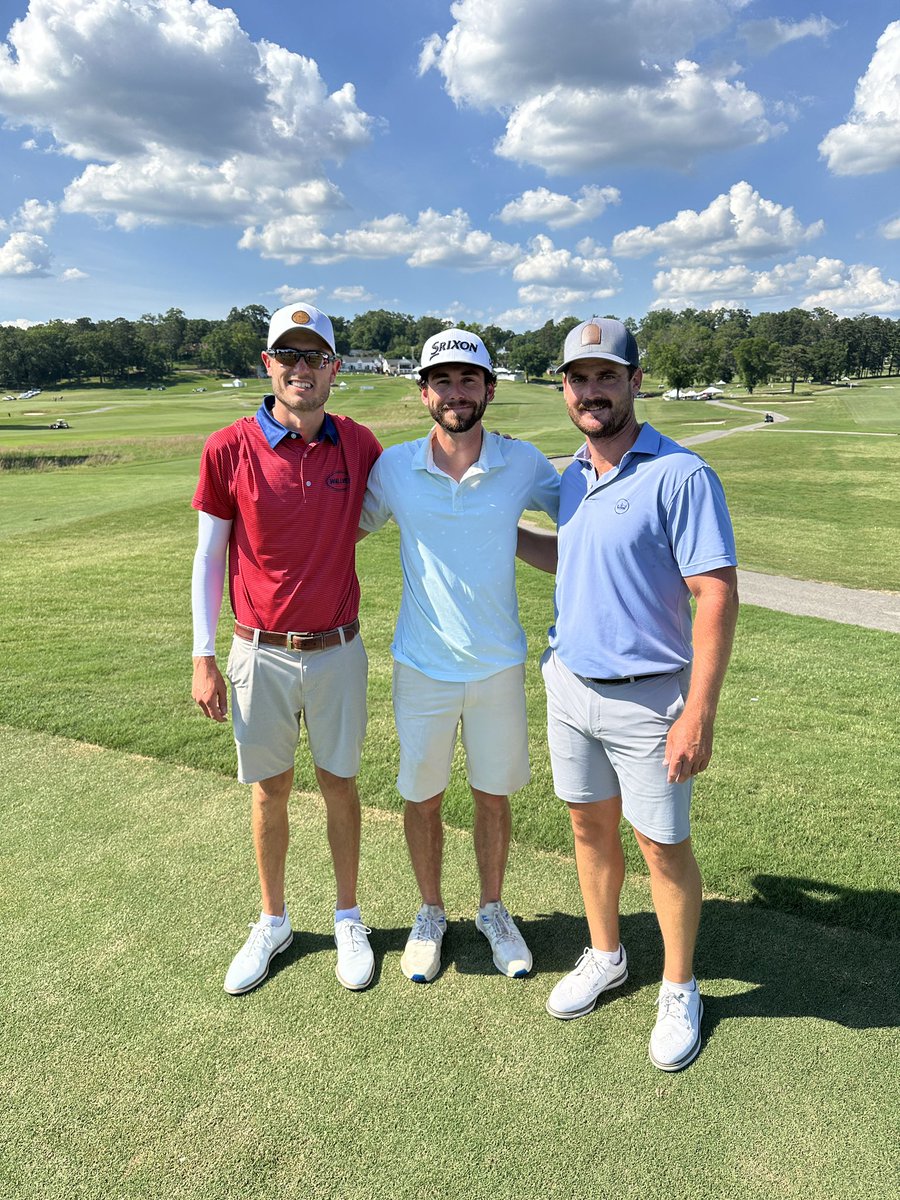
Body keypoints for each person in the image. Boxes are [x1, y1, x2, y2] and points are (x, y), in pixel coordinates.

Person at [517, 317, 738, 1070]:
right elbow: (575, 557)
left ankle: (679, 986)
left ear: (636, 381)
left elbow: (714, 594)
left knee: (661, 846)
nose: (592, 391)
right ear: (565, 389)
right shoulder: (572, 477)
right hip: (570, 685)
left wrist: (698, 712)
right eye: (578, 379)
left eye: (607, 376)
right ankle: (607, 954)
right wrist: (502, 534)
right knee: (588, 828)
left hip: (650, 700)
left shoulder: (681, 475)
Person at [191, 303, 381, 996]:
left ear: (334, 368)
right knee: (270, 791)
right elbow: (209, 556)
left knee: (339, 785)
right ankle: (272, 919)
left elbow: (386, 503)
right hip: (258, 651)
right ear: (268, 364)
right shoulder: (228, 447)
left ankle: (348, 917)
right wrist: (202, 655)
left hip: (338, 650)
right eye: (289, 356)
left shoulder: (358, 443)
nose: (302, 369)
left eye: (315, 357)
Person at [358, 329, 560, 983]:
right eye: (441, 381)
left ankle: (493, 910)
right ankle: (430, 912)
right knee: (423, 799)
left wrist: (512, 536)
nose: (455, 392)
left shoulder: (523, 462)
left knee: (493, 797)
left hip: (498, 666)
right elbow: (342, 531)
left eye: (468, 379)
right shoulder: (394, 468)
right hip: (421, 667)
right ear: (424, 393)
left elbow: (585, 527)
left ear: (489, 389)